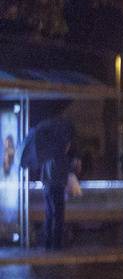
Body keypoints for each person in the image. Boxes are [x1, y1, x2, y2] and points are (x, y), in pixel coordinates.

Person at [19, 103, 75, 250]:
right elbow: (63, 172)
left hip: (47, 186)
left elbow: (45, 173)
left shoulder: (46, 154)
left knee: (50, 214)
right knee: (58, 215)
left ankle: (49, 242)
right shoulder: (59, 154)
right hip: (56, 186)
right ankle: (56, 244)